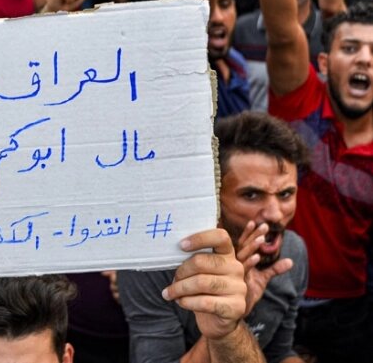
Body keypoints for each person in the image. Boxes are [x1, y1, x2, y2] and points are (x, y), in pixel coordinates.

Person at [258, 0, 373, 363]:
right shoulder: (301, 100)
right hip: (269, 288)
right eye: (351, 48)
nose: (364, 59)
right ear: (324, 63)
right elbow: (284, 33)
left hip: (353, 314)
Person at [120, 111, 310, 363]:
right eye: (251, 195)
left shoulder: (292, 253)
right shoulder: (156, 265)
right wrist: (225, 324)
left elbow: (279, 353)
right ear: (214, 197)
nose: (275, 214)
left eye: (285, 194)